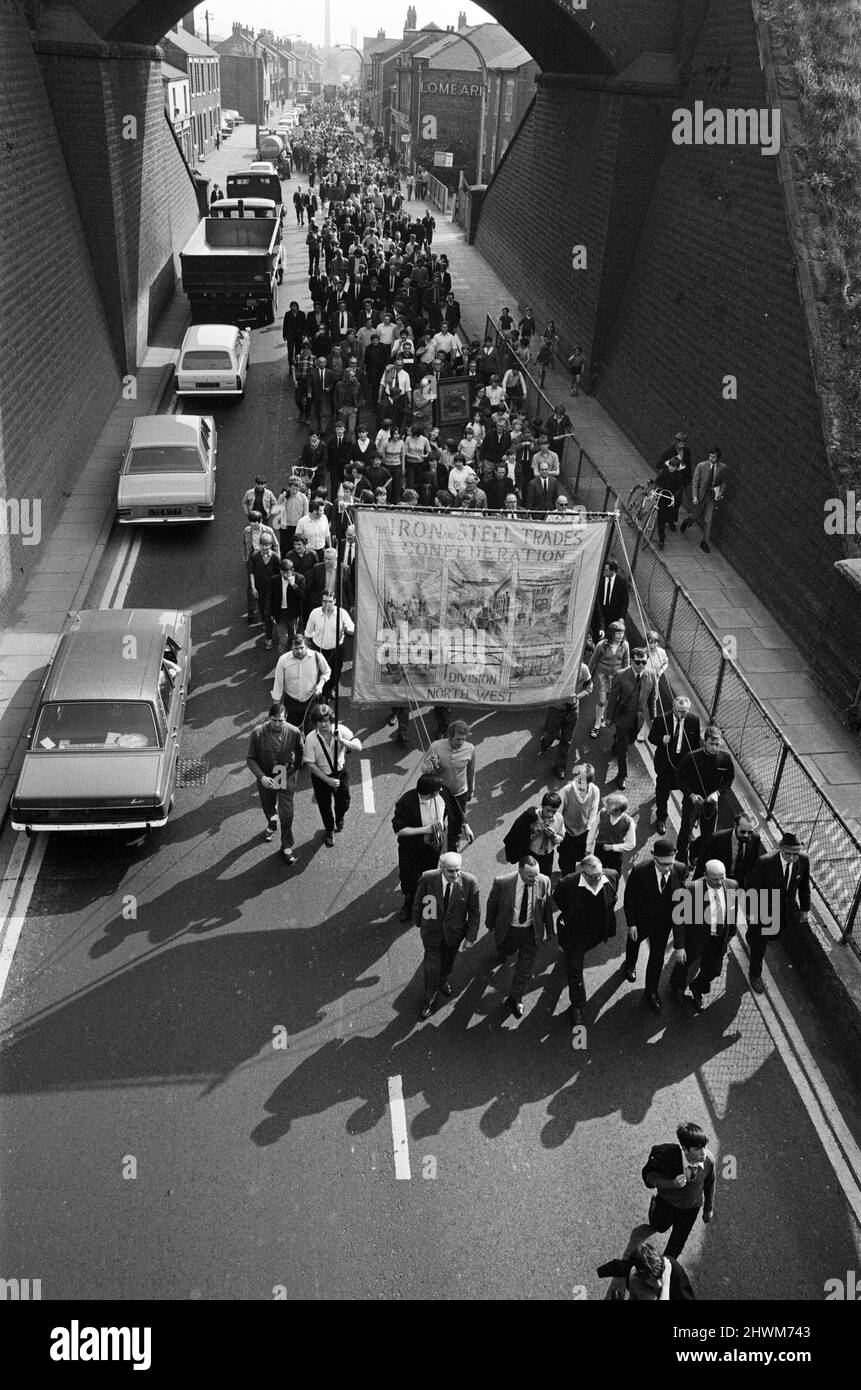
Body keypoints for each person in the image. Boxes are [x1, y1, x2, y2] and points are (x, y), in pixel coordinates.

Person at [392, 773, 471, 923]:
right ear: (429, 793)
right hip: (411, 849)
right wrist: (426, 830)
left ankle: (426, 905)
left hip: (433, 846)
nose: (441, 791)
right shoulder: (406, 802)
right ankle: (408, 904)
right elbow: (399, 830)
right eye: (437, 790)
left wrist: (465, 825)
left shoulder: (441, 792)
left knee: (428, 875)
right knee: (409, 879)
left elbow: (455, 808)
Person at [623, 837, 689, 1012]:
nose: (668, 868)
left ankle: (651, 991)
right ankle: (630, 964)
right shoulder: (640, 871)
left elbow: (680, 905)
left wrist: (679, 943)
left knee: (657, 958)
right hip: (642, 921)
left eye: (670, 863)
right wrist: (632, 924)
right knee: (633, 942)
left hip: (663, 925)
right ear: (654, 857)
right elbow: (629, 899)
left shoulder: (680, 869)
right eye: (663, 864)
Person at [553, 854, 619, 1026]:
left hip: (597, 933)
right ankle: (577, 1005)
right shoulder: (567, 884)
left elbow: (612, 899)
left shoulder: (611, 876)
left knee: (575, 963)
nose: (597, 879)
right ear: (582, 872)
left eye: (599, 875)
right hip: (575, 936)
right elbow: (560, 901)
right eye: (592, 877)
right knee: (575, 972)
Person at [485, 856, 554, 1020]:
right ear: (520, 871)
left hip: (531, 932)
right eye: (530, 876)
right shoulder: (503, 882)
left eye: (536, 874)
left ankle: (515, 998)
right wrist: (490, 923)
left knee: (524, 969)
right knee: (504, 949)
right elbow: (492, 904)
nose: (534, 879)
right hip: (510, 930)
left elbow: (547, 907)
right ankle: (502, 953)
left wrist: (550, 930)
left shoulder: (544, 881)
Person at [413, 852, 481, 1019]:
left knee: (448, 961)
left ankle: (443, 978)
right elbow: (419, 901)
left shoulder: (470, 882)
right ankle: (429, 998)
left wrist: (471, 937)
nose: (455, 874)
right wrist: (419, 922)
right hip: (432, 933)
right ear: (441, 868)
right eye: (450, 871)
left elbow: (475, 912)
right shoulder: (428, 878)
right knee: (431, 967)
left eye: (458, 870)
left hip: (454, 934)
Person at [669, 859, 742, 1007]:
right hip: (695, 937)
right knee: (684, 965)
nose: (720, 882)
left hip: (718, 937)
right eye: (715, 879)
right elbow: (679, 921)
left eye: (723, 877)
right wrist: (679, 946)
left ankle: (697, 987)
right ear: (705, 876)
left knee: (714, 970)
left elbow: (732, 911)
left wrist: (731, 933)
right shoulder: (690, 889)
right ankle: (677, 988)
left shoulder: (732, 885)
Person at [746, 832, 811, 993]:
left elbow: (804, 885)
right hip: (764, 911)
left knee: (774, 936)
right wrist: (751, 912)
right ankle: (755, 974)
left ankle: (751, 936)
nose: (792, 857)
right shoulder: (765, 862)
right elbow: (752, 888)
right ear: (781, 848)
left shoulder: (803, 860)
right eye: (788, 853)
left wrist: (805, 908)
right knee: (759, 945)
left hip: (783, 911)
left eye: (795, 854)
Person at [642, 1121, 716, 1258]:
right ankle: (654, 1205)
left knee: (677, 1243)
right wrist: (672, 1183)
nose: (704, 1152)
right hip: (667, 1203)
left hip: (691, 1207)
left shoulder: (708, 1160)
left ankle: (666, 1270)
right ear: (685, 1149)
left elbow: (710, 1182)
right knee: (659, 1226)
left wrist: (708, 1208)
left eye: (705, 1146)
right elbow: (650, 1177)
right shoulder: (666, 1157)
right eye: (698, 1149)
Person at [245, 703, 304, 863]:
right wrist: (262, 777)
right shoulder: (257, 733)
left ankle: (286, 845)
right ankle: (272, 823)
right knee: (268, 806)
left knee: (287, 814)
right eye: (274, 720)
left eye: (280, 721)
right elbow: (250, 758)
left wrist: (296, 768)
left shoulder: (294, 732)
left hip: (285, 774)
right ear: (269, 718)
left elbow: (300, 750)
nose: (277, 724)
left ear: (286, 719)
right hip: (266, 776)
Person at [303, 703, 362, 847]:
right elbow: (310, 764)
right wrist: (328, 780)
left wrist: (341, 741)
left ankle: (340, 817)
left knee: (344, 802)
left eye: (326, 721)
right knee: (324, 806)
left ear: (332, 720)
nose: (323, 724)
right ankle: (329, 830)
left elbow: (358, 747)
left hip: (340, 772)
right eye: (320, 721)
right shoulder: (311, 738)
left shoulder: (340, 730)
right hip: (321, 777)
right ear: (315, 722)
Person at [676, 724, 735, 863]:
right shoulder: (692, 757)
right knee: (685, 832)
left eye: (717, 744)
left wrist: (717, 793)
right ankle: (681, 862)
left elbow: (729, 779)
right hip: (692, 802)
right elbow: (679, 778)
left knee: (708, 836)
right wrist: (691, 795)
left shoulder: (725, 759)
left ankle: (695, 855)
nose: (715, 748)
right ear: (704, 742)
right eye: (711, 744)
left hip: (711, 804)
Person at [605, 646, 658, 789]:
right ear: (632, 661)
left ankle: (617, 741)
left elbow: (652, 698)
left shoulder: (651, 675)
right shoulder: (621, 675)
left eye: (644, 662)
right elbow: (612, 698)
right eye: (638, 662)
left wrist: (654, 717)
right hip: (622, 717)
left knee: (630, 740)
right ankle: (621, 775)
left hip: (638, 719)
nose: (641, 665)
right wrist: (608, 717)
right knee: (624, 749)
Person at [648, 695, 701, 836]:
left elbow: (695, 743)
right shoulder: (661, 719)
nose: (682, 715)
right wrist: (661, 740)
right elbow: (651, 737)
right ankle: (661, 818)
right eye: (679, 711)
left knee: (688, 793)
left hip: (683, 763)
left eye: (685, 711)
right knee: (662, 792)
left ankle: (687, 824)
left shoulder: (693, 720)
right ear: (673, 709)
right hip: (665, 763)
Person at [538, 659, 593, 780]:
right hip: (556, 708)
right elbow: (545, 684)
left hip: (573, 710)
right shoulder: (556, 668)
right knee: (551, 734)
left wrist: (577, 697)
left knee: (566, 740)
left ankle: (560, 767)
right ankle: (545, 742)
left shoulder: (583, 669)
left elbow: (589, 688)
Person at [597, 1235, 696, 1301]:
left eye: (660, 1276)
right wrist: (666, 1284)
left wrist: (666, 1284)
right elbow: (622, 1267)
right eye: (653, 1280)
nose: (659, 1283)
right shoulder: (635, 1279)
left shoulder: (672, 1267)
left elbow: (686, 1295)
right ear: (641, 1275)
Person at [270, 632, 329, 729]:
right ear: (291, 648)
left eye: (302, 648)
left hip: (311, 701)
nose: (299, 651)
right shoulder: (283, 660)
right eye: (296, 649)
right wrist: (276, 708)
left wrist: (320, 684)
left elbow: (327, 672)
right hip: (291, 703)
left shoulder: (317, 657)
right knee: (293, 732)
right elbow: (278, 683)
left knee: (311, 731)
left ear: (306, 646)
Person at [305, 590, 355, 702]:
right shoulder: (314, 613)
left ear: (335, 601)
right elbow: (308, 632)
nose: (327, 604)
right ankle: (322, 693)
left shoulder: (342, 613)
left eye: (330, 601)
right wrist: (307, 645)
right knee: (319, 672)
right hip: (319, 649)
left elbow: (352, 630)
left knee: (335, 673)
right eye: (324, 601)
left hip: (336, 649)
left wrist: (347, 630)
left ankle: (329, 690)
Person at [693, 810, 763, 887]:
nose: (746, 835)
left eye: (750, 832)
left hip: (738, 884)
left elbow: (752, 865)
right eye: (743, 832)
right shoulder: (717, 839)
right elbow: (702, 865)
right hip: (718, 881)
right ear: (735, 826)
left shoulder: (755, 839)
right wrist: (695, 888)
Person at [502, 792, 564, 878]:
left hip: (547, 856)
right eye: (548, 810)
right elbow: (520, 837)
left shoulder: (559, 818)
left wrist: (554, 836)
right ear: (542, 806)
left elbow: (561, 836)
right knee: (527, 877)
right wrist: (535, 830)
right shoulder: (531, 817)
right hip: (531, 854)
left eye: (554, 811)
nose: (550, 814)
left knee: (545, 878)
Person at [588, 621, 630, 738]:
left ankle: (601, 717)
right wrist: (588, 677)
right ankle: (597, 724)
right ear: (612, 633)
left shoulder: (625, 645)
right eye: (618, 633)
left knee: (610, 700)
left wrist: (626, 679)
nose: (620, 636)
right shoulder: (602, 645)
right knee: (602, 700)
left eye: (622, 633)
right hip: (603, 676)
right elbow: (593, 661)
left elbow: (626, 663)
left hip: (617, 678)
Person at [680, 448, 727, 553]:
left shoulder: (722, 468)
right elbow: (695, 482)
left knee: (708, 520)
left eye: (713, 456)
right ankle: (687, 520)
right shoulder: (701, 466)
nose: (710, 458)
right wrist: (695, 496)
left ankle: (704, 542)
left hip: (711, 497)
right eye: (709, 456)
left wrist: (720, 493)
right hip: (701, 495)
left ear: (718, 457)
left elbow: (723, 481)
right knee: (695, 514)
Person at [558, 762, 601, 874]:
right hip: (567, 832)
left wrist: (589, 830)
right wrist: (562, 832)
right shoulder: (565, 791)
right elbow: (558, 814)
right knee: (566, 861)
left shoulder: (595, 790)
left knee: (582, 856)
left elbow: (593, 811)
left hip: (584, 831)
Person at [424, 721, 475, 815]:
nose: (461, 742)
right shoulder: (436, 746)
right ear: (450, 737)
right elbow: (424, 770)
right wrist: (430, 766)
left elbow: (470, 771)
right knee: (439, 822)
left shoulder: (470, 749)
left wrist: (471, 790)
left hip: (460, 794)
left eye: (463, 739)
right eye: (458, 739)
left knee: (459, 824)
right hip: (440, 794)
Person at [246, 533, 281, 650]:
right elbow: (251, 572)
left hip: (271, 590)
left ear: (271, 545)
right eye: (262, 545)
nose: (265, 548)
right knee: (261, 607)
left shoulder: (276, 557)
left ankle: (268, 638)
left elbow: (279, 574)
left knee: (268, 612)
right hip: (259, 588)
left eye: (267, 545)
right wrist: (253, 587)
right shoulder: (255, 556)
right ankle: (264, 621)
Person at [594, 792, 637, 876]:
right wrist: (588, 847)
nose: (605, 808)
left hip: (615, 855)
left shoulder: (629, 822)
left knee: (613, 875)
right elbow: (593, 829)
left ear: (618, 812)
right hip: (599, 849)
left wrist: (612, 847)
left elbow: (631, 844)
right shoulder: (602, 813)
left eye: (609, 808)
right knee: (596, 871)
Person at [591, 558, 630, 642]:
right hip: (600, 612)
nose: (604, 571)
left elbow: (625, 601)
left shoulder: (621, 581)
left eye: (606, 570)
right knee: (598, 636)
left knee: (612, 638)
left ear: (613, 571)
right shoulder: (599, 579)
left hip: (613, 615)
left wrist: (621, 617)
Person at [273, 557, 306, 648]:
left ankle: (292, 657)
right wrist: (272, 614)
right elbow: (272, 599)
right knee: (283, 640)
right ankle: (283, 661)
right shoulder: (275, 580)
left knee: (293, 638)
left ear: (292, 570)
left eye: (287, 573)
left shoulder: (300, 578)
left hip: (293, 614)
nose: (285, 575)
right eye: (283, 572)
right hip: (280, 613)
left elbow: (303, 597)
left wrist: (294, 585)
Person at [294, 496, 332, 561]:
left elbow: (327, 535)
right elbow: (297, 539)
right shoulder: (302, 522)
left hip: (321, 551)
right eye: (321, 511)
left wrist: (330, 548)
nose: (323, 512)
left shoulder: (324, 518)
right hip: (308, 553)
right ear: (314, 511)